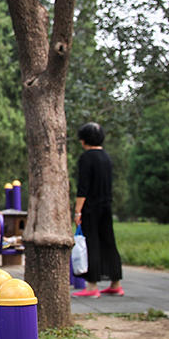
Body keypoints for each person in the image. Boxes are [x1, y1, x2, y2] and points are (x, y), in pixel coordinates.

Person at [72, 122, 123, 298]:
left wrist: (78, 211)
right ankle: (116, 283)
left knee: (91, 243)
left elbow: (83, 187)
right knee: (109, 242)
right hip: (106, 205)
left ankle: (92, 286)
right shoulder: (106, 158)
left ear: (83, 139)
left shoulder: (87, 158)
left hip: (91, 207)